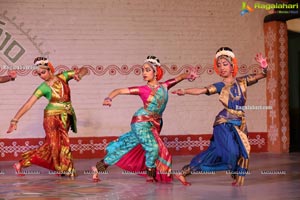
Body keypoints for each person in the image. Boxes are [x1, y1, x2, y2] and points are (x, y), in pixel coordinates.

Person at [91, 55, 198, 183]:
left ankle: (98, 168)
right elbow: (119, 90)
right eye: (143, 70)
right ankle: (150, 175)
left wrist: (189, 76)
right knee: (153, 147)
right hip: (141, 122)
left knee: (126, 147)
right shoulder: (143, 89)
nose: (144, 73)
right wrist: (109, 98)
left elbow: (179, 77)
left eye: (147, 70)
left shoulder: (164, 86)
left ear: (156, 72)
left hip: (154, 123)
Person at [172, 47, 268, 186]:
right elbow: (201, 90)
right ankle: (235, 173)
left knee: (219, 152)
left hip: (239, 122)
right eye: (219, 65)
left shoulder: (243, 81)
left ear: (232, 65)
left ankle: (183, 173)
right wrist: (185, 91)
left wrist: (264, 66)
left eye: (224, 64)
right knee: (233, 152)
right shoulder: (219, 85)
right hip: (224, 123)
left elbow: (264, 74)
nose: (221, 68)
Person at [7, 57, 88, 177]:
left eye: (43, 72)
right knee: (54, 144)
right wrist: (15, 120)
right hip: (51, 118)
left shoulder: (63, 77)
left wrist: (79, 75)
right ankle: (65, 169)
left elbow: (84, 69)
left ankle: (57, 167)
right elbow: (28, 104)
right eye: (39, 74)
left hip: (66, 116)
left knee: (58, 144)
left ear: (50, 69)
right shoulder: (43, 87)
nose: (42, 76)